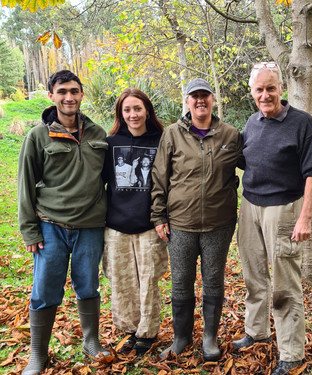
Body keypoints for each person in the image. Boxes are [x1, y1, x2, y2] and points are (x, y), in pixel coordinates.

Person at [232, 62, 312, 375]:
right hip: (249, 207)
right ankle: (256, 332)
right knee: (253, 276)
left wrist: (305, 218)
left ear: (281, 88)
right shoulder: (252, 122)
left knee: (284, 286)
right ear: (252, 92)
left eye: (270, 88)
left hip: (284, 209)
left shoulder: (303, 123)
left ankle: (291, 354)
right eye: (259, 89)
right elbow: (242, 159)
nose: (265, 94)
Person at [17, 70, 110, 375]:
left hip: (91, 226)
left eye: (74, 91)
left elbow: (109, 180)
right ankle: (37, 354)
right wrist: (29, 229)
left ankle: (91, 341)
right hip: (50, 225)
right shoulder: (38, 136)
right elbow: (25, 186)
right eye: (62, 92)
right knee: (45, 289)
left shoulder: (98, 134)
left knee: (88, 284)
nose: (69, 97)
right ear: (52, 96)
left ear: (82, 94)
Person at [151, 78, 242, 361]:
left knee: (213, 280)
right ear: (187, 102)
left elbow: (255, 166)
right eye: (195, 96)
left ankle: (210, 338)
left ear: (213, 100)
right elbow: (159, 177)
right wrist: (158, 215)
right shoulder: (172, 134)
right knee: (181, 281)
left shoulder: (230, 135)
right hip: (180, 223)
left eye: (205, 95)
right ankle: (181, 338)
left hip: (219, 223)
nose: (200, 100)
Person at [102, 88, 169, 355]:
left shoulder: (161, 141)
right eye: (127, 110)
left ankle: (147, 333)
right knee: (121, 281)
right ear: (121, 113)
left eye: (138, 109)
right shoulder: (110, 143)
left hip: (149, 225)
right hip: (116, 225)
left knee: (148, 281)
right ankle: (129, 331)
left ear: (147, 111)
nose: (133, 114)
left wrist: (162, 218)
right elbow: (101, 182)